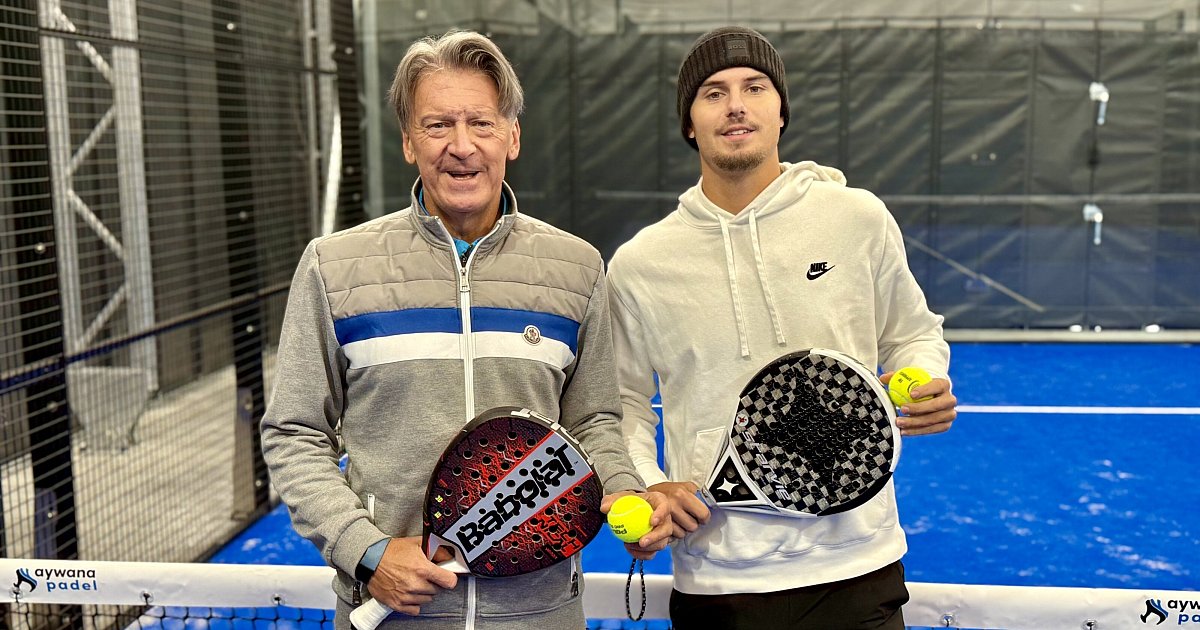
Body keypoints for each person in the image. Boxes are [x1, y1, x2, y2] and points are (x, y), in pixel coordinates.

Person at [261, 30, 670, 630]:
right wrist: (367, 552)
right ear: (407, 141)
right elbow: (294, 433)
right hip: (396, 610)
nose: (461, 146)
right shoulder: (332, 266)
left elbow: (594, 422)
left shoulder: (578, 268)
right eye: (436, 125)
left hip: (543, 611)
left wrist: (623, 490)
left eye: (481, 123)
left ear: (512, 136)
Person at [606, 26, 959, 629]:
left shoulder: (857, 218)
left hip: (859, 565)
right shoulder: (640, 264)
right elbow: (623, 402)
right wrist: (650, 485)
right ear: (690, 122)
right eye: (713, 93)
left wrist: (924, 376)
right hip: (717, 579)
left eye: (755, 87)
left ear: (780, 111)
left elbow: (911, 332)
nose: (736, 104)